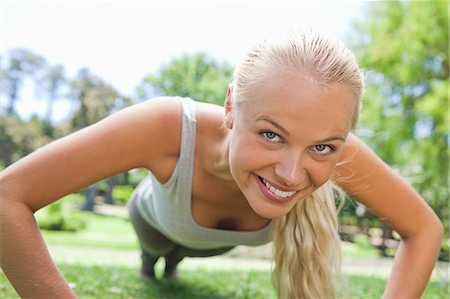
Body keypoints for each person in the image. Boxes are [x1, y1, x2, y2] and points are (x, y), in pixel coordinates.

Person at [0, 29, 443, 299]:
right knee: (157, 257)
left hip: (215, 241)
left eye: (322, 148)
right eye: (271, 135)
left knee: (186, 255)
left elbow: (425, 229)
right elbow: (7, 196)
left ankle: (174, 262)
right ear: (231, 107)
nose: (292, 174)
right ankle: (158, 262)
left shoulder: (334, 145)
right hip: (156, 223)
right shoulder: (165, 126)